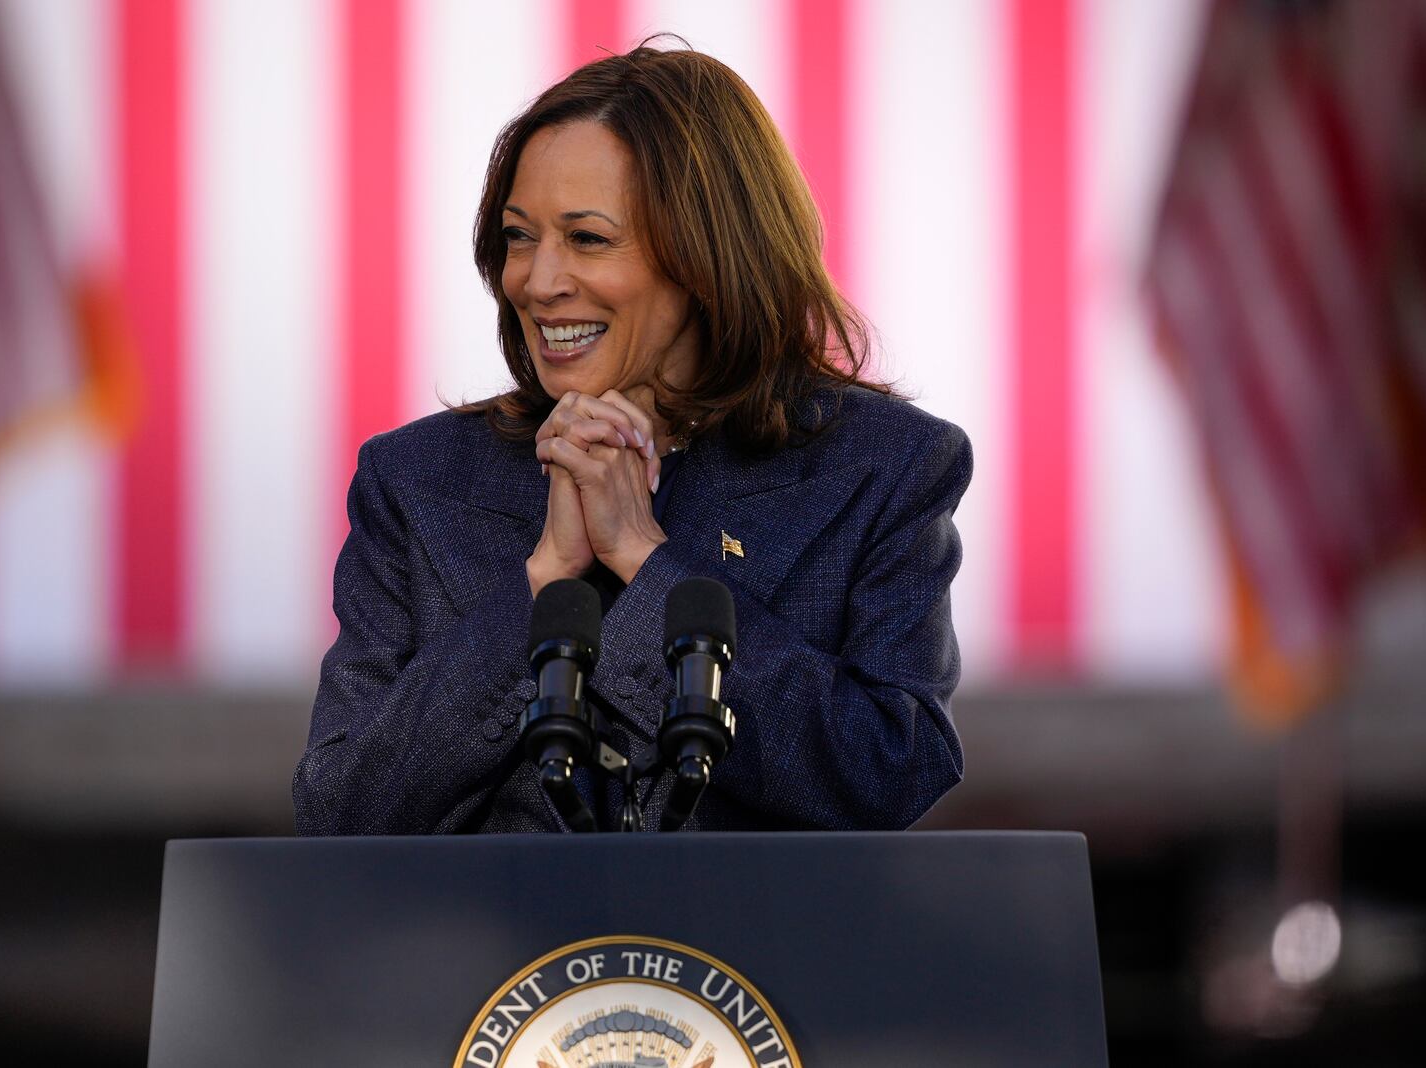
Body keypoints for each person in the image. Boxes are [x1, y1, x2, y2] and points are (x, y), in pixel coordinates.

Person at [293, 42, 971, 835]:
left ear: (707, 255)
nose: (538, 282)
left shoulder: (883, 467)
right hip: (493, 958)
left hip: (756, 957)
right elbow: (342, 811)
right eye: (519, 237)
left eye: (586, 239)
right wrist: (542, 582)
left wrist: (646, 565)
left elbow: (885, 776)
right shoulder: (414, 481)